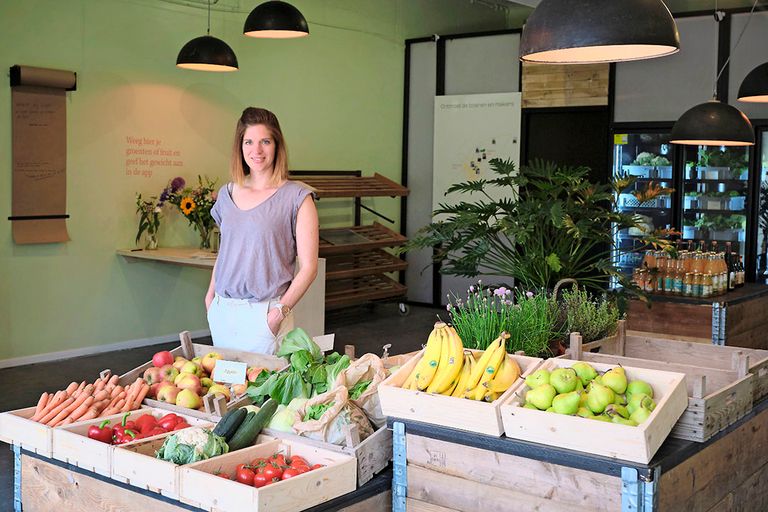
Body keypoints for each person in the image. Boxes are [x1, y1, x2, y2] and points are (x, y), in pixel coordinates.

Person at [205, 107, 319, 354]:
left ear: (277, 145)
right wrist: (210, 297)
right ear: (240, 146)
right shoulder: (227, 194)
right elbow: (227, 251)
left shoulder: (297, 197)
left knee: (266, 391)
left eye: (265, 141)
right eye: (249, 142)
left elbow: (309, 268)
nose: (256, 151)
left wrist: (279, 313)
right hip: (223, 311)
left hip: (266, 312)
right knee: (227, 390)